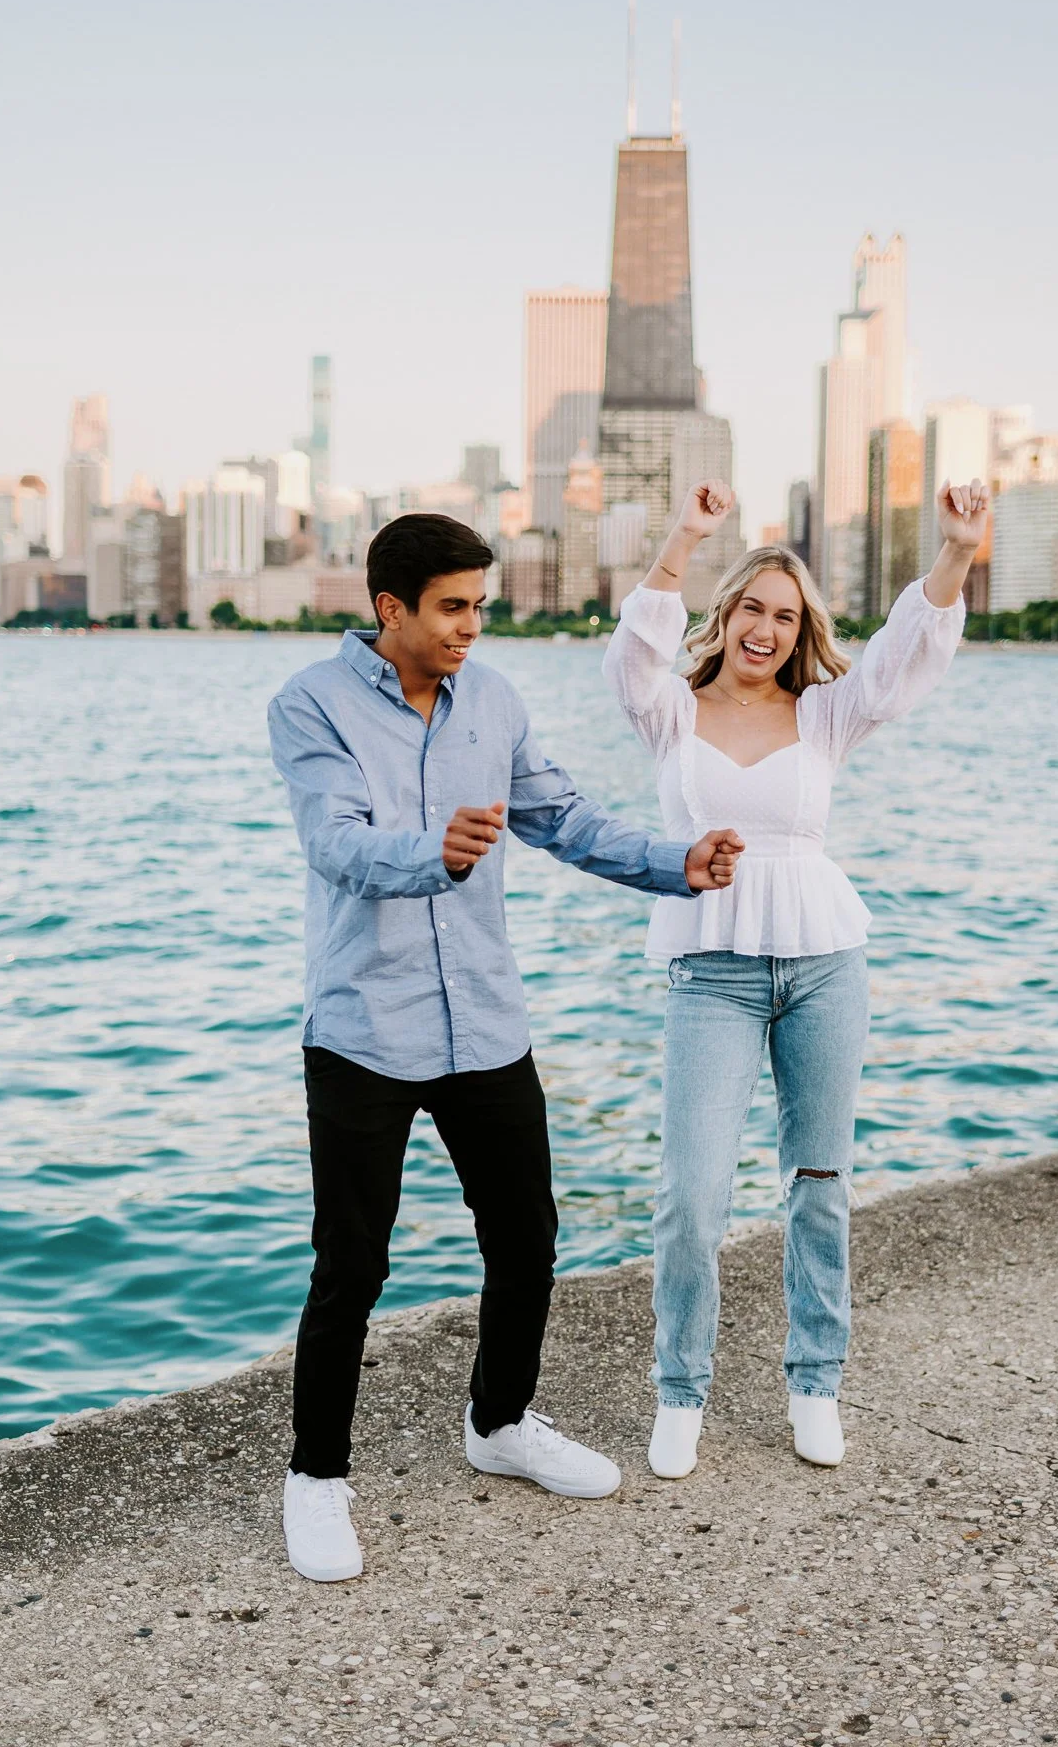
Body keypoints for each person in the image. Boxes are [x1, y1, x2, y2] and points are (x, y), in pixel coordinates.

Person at [267, 511, 743, 1582]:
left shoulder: (493, 699)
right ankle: (317, 1478)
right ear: (391, 609)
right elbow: (332, 840)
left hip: (483, 1017)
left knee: (526, 1236)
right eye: (451, 606)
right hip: (363, 1028)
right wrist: (428, 853)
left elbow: (564, 818)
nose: (472, 625)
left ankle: (500, 1422)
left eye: (480, 603)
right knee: (353, 1263)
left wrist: (680, 861)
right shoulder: (311, 703)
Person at [603, 476, 988, 1480]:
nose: (765, 628)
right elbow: (635, 648)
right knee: (691, 1193)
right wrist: (686, 535)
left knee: (818, 1181)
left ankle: (814, 1378)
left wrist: (955, 550)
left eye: (784, 614)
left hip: (824, 962)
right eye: (750, 609)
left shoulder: (825, 716)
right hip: (711, 971)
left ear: (798, 627)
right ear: (723, 614)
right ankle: (678, 1388)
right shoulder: (669, 714)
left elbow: (906, 655)